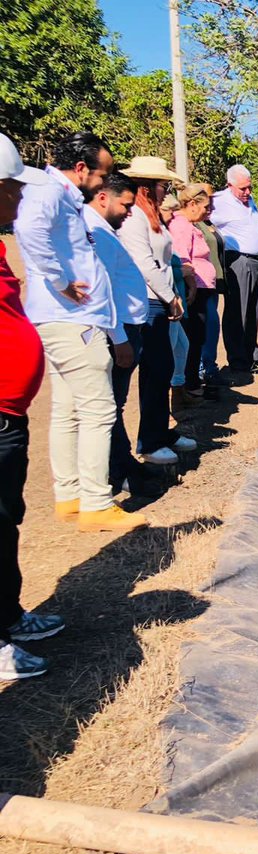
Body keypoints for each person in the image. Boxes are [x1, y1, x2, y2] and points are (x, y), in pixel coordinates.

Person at [13, 132, 147, 534]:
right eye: (102, 174)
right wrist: (59, 281)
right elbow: (29, 230)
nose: (103, 182)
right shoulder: (50, 191)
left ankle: (70, 495)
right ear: (81, 168)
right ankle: (96, 503)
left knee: (69, 409)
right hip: (73, 320)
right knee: (98, 410)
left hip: (68, 319)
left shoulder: (62, 197)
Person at [0, 133, 65, 680]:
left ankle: (8, 615)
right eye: (12, 188)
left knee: (6, 519)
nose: (21, 197)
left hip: (9, 416)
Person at [117, 156, 196, 466]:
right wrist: (169, 296)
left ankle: (160, 432)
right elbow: (144, 263)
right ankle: (150, 442)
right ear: (148, 187)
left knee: (162, 369)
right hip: (149, 302)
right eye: (164, 185)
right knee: (154, 371)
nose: (167, 191)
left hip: (159, 300)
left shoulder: (152, 217)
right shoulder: (134, 217)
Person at [84, 172, 153, 495]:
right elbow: (102, 290)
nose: (129, 212)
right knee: (109, 405)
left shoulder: (104, 231)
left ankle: (122, 464)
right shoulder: (94, 233)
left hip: (127, 327)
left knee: (115, 404)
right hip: (118, 331)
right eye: (125, 205)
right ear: (103, 198)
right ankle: (116, 472)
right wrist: (120, 338)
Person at [210, 164, 258, 375]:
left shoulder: (249, 200)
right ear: (230, 185)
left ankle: (252, 354)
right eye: (242, 188)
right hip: (238, 261)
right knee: (237, 311)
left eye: (249, 187)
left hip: (256, 261)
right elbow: (200, 219)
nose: (247, 192)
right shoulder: (219, 201)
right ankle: (237, 360)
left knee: (253, 309)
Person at [168, 184, 217, 399]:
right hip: (194, 290)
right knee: (193, 337)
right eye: (205, 206)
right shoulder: (181, 226)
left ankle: (191, 381)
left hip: (202, 288)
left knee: (198, 336)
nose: (208, 211)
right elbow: (183, 258)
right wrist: (192, 284)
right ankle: (189, 383)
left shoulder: (190, 225)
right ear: (192, 204)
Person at [159, 195, 197, 412]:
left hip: (173, 296)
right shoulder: (151, 234)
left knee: (182, 345)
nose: (172, 217)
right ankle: (167, 401)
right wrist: (181, 273)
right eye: (169, 212)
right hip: (165, 300)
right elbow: (153, 270)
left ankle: (178, 391)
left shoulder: (164, 233)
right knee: (169, 349)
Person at [194, 184, 226, 393]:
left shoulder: (208, 223)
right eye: (207, 200)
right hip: (199, 285)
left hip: (212, 284)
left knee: (212, 327)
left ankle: (209, 367)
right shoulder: (191, 224)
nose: (211, 205)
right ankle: (200, 370)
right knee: (203, 327)